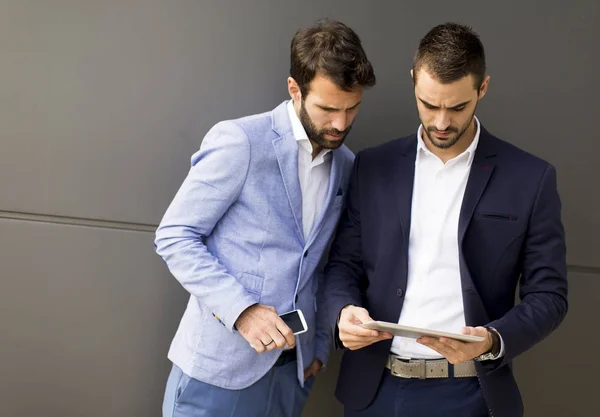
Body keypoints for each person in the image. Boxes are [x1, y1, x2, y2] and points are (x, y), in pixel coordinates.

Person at [324, 22, 567, 417]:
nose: (440, 122)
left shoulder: (531, 179)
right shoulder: (372, 167)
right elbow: (343, 264)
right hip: (373, 391)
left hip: (471, 394)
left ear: (482, 88)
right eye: (428, 104)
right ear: (413, 82)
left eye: (457, 107)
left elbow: (550, 295)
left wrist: (493, 339)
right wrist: (343, 311)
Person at [154, 18, 376, 417]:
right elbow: (175, 236)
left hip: (293, 374)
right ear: (295, 89)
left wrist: (320, 346)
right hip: (219, 373)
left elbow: (321, 263)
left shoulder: (346, 164)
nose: (341, 124)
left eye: (352, 108)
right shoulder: (241, 142)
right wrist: (242, 311)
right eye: (327, 109)